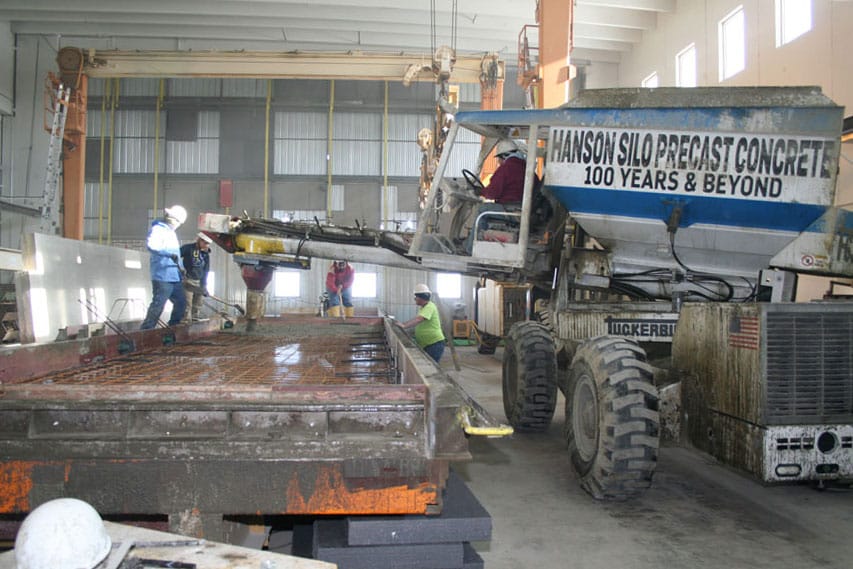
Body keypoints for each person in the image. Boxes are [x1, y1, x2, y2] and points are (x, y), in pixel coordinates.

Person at [140, 205, 187, 330]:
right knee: (159, 304)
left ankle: (173, 328)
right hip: (162, 275)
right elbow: (152, 246)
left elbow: (176, 254)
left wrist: (181, 269)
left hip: (174, 276)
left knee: (181, 303)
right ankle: (146, 330)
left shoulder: (172, 234)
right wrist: (167, 254)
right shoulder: (157, 230)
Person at [396, 284, 446, 363]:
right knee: (428, 364)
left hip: (434, 344)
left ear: (421, 297)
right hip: (427, 344)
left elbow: (419, 319)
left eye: (416, 297)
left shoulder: (430, 307)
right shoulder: (423, 307)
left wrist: (404, 325)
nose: (415, 299)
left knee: (431, 367)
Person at [180, 232, 212, 323]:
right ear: (199, 240)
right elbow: (176, 257)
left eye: (208, 244)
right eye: (205, 243)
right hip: (188, 281)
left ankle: (195, 320)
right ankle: (185, 322)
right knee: (187, 304)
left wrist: (204, 285)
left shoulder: (205, 255)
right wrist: (181, 270)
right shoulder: (188, 248)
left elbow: (206, 271)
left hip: (199, 282)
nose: (206, 245)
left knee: (198, 303)